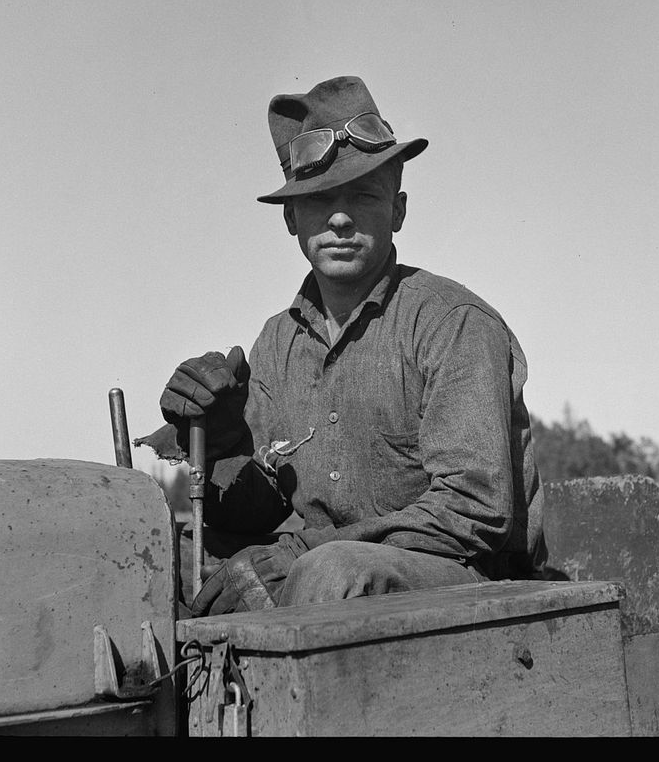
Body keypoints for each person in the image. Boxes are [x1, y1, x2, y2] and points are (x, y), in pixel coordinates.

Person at [136, 76, 545, 616]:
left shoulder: (452, 323)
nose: (340, 217)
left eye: (364, 196)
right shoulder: (278, 341)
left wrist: (307, 549)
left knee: (330, 575)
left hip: (469, 583)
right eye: (320, 200)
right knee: (155, 561)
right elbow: (256, 515)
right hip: (327, 581)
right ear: (291, 220)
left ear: (397, 211)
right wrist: (223, 442)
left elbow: (474, 511)